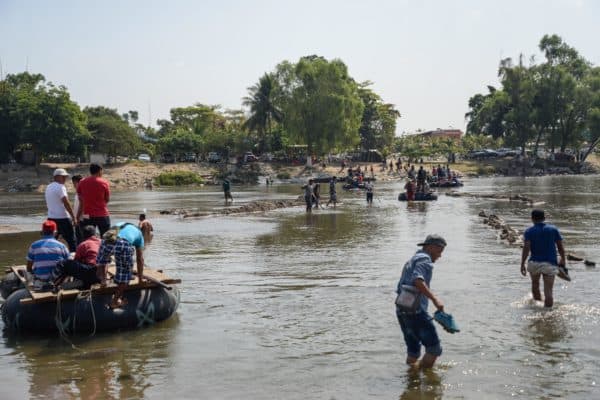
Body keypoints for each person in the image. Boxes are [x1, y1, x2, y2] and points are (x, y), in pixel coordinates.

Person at [395, 234, 447, 369]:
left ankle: (412, 381)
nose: (440, 256)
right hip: (416, 312)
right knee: (434, 349)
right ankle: (424, 378)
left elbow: (401, 285)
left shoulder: (412, 259)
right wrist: (435, 300)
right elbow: (417, 280)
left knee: (413, 350)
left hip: (402, 310)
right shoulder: (425, 260)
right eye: (439, 251)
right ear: (431, 247)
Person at [520, 209, 567, 307]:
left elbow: (526, 249)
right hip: (549, 264)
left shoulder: (529, 231)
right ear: (544, 218)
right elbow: (560, 247)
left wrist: (522, 264)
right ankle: (548, 314)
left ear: (532, 219)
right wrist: (563, 259)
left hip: (534, 263)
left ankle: (538, 307)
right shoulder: (553, 229)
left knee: (535, 285)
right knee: (548, 291)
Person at [96, 222, 145, 309]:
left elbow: (102, 260)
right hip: (123, 244)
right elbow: (139, 259)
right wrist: (140, 280)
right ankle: (114, 302)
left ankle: (103, 281)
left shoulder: (121, 224)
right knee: (125, 275)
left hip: (107, 239)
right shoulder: (140, 235)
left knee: (103, 260)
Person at [52, 225, 101, 289]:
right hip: (100, 272)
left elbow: (77, 260)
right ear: (95, 234)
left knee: (65, 263)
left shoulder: (84, 244)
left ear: (83, 235)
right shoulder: (102, 242)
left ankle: (55, 283)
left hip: (91, 271)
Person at [45, 168, 77, 252]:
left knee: (51, 240)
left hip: (51, 217)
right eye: (63, 177)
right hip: (63, 218)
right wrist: (73, 217)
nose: (65, 179)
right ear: (57, 177)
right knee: (71, 240)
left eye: (65, 177)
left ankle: (50, 256)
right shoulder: (60, 187)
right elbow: (66, 202)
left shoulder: (48, 187)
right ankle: (74, 258)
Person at [77, 163, 111, 236]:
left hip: (87, 214)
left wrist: (78, 216)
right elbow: (107, 199)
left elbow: (80, 199)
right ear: (99, 171)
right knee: (106, 237)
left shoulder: (82, 182)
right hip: (102, 214)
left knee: (87, 237)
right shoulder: (104, 182)